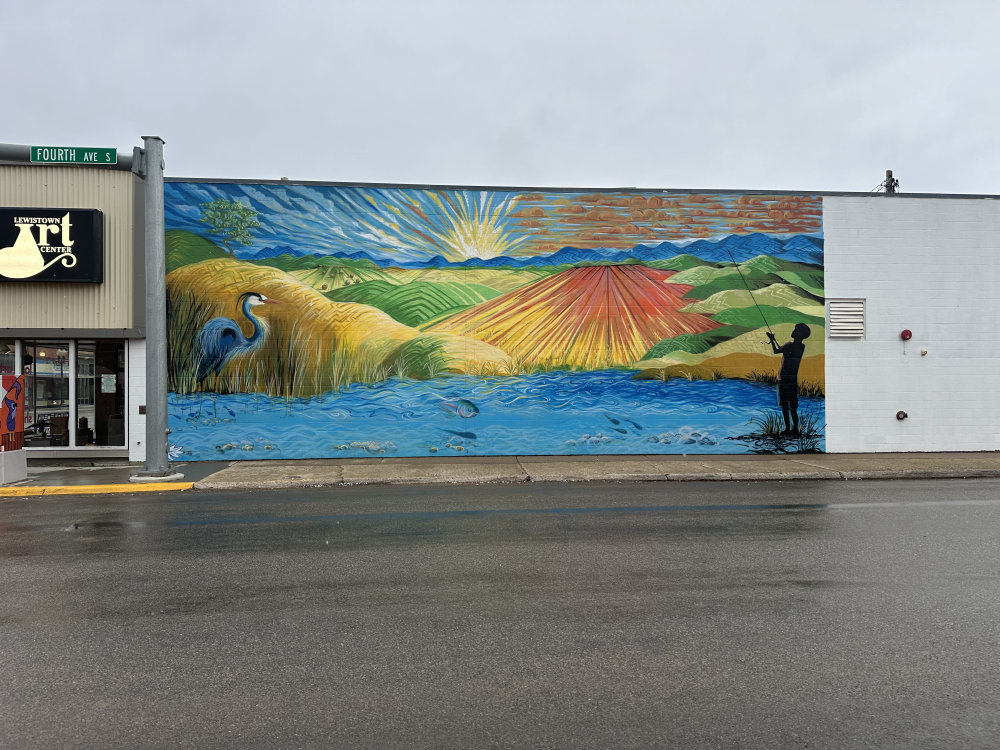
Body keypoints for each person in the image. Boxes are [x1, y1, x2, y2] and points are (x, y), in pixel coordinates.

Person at [766, 323, 811, 435]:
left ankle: (787, 429)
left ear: (799, 334)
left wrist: (772, 340)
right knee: (793, 407)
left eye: (796, 330)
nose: (793, 331)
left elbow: (776, 351)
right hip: (792, 380)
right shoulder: (801, 347)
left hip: (783, 379)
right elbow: (786, 351)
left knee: (785, 406)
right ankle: (795, 429)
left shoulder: (789, 345)